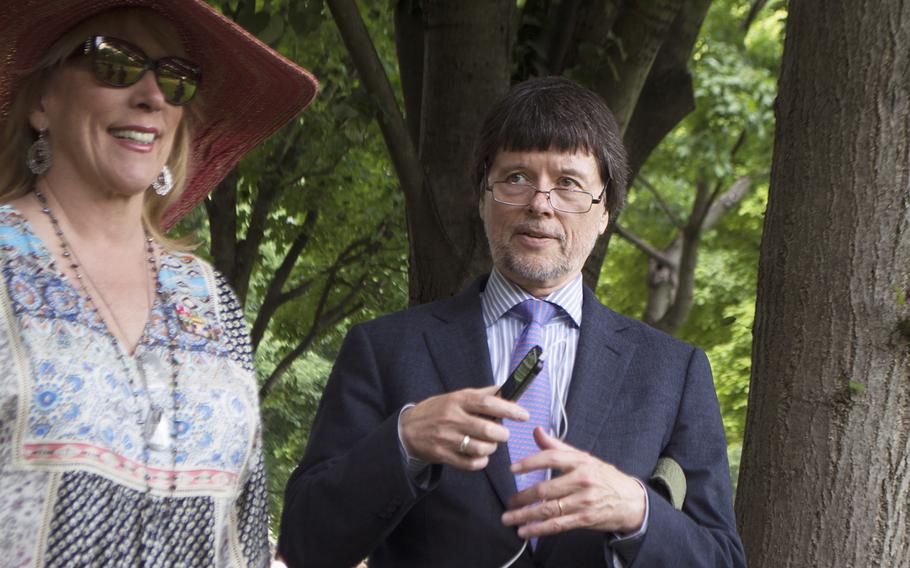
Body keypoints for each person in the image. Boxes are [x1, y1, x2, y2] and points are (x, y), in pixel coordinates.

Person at [279, 77, 745, 567]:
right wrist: (403, 441)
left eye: (568, 182)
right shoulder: (385, 349)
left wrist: (637, 510)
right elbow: (304, 544)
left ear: (605, 209)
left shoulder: (674, 371)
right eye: (516, 178)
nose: (540, 203)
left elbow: (722, 558)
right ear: (483, 198)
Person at [0, 1, 317, 566]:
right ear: (42, 102)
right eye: (114, 63)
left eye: (176, 78)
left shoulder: (211, 300)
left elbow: (243, 529)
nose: (152, 94)